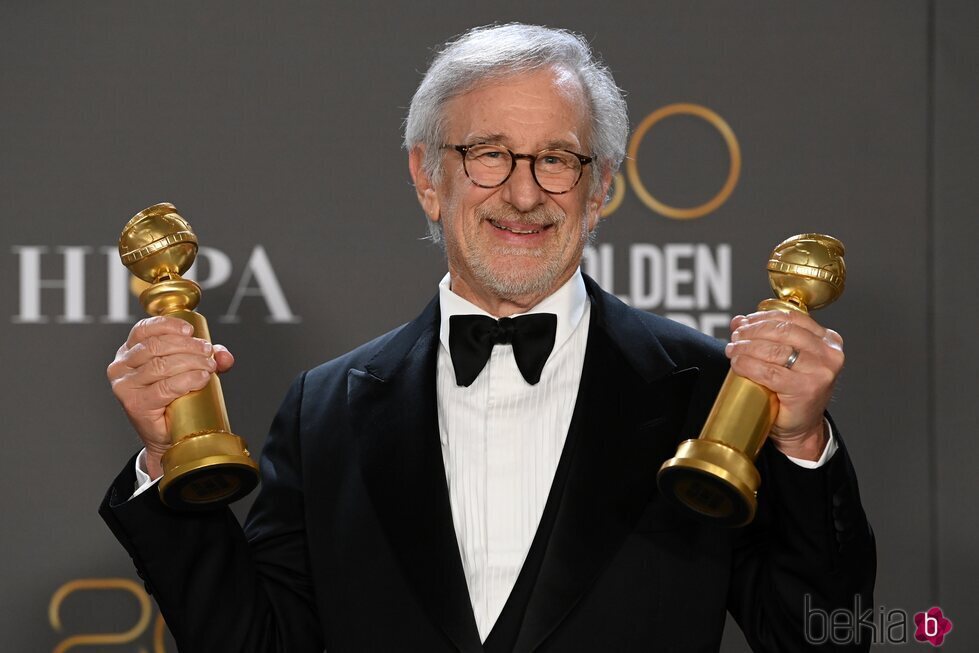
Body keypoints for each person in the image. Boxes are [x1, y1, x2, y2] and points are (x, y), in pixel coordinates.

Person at [102, 23, 875, 652]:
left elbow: (820, 638)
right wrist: (171, 457)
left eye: (556, 159)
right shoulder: (325, 407)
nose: (522, 191)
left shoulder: (706, 390)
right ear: (425, 177)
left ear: (601, 186)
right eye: (487, 154)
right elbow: (258, 643)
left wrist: (799, 444)